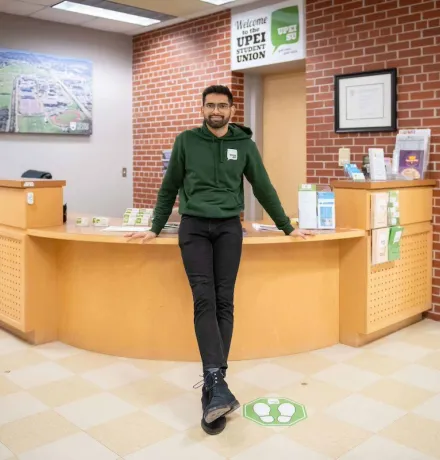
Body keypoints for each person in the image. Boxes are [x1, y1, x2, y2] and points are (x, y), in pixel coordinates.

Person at [125, 85, 313, 435]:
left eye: (221, 106)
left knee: (225, 300)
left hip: (229, 227)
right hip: (193, 227)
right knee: (204, 299)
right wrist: (154, 227)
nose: (215, 111)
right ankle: (216, 383)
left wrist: (287, 227)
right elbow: (169, 188)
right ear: (203, 108)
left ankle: (215, 386)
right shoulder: (186, 141)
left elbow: (263, 187)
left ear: (231, 109)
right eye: (210, 105)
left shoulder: (244, 145)